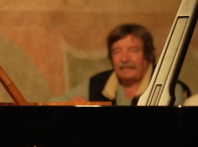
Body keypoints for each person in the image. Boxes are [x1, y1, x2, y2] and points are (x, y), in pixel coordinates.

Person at [57, 23, 190, 106]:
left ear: (148, 55)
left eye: (133, 51)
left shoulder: (168, 87)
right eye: (117, 51)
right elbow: (52, 104)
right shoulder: (97, 83)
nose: (124, 58)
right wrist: (73, 104)